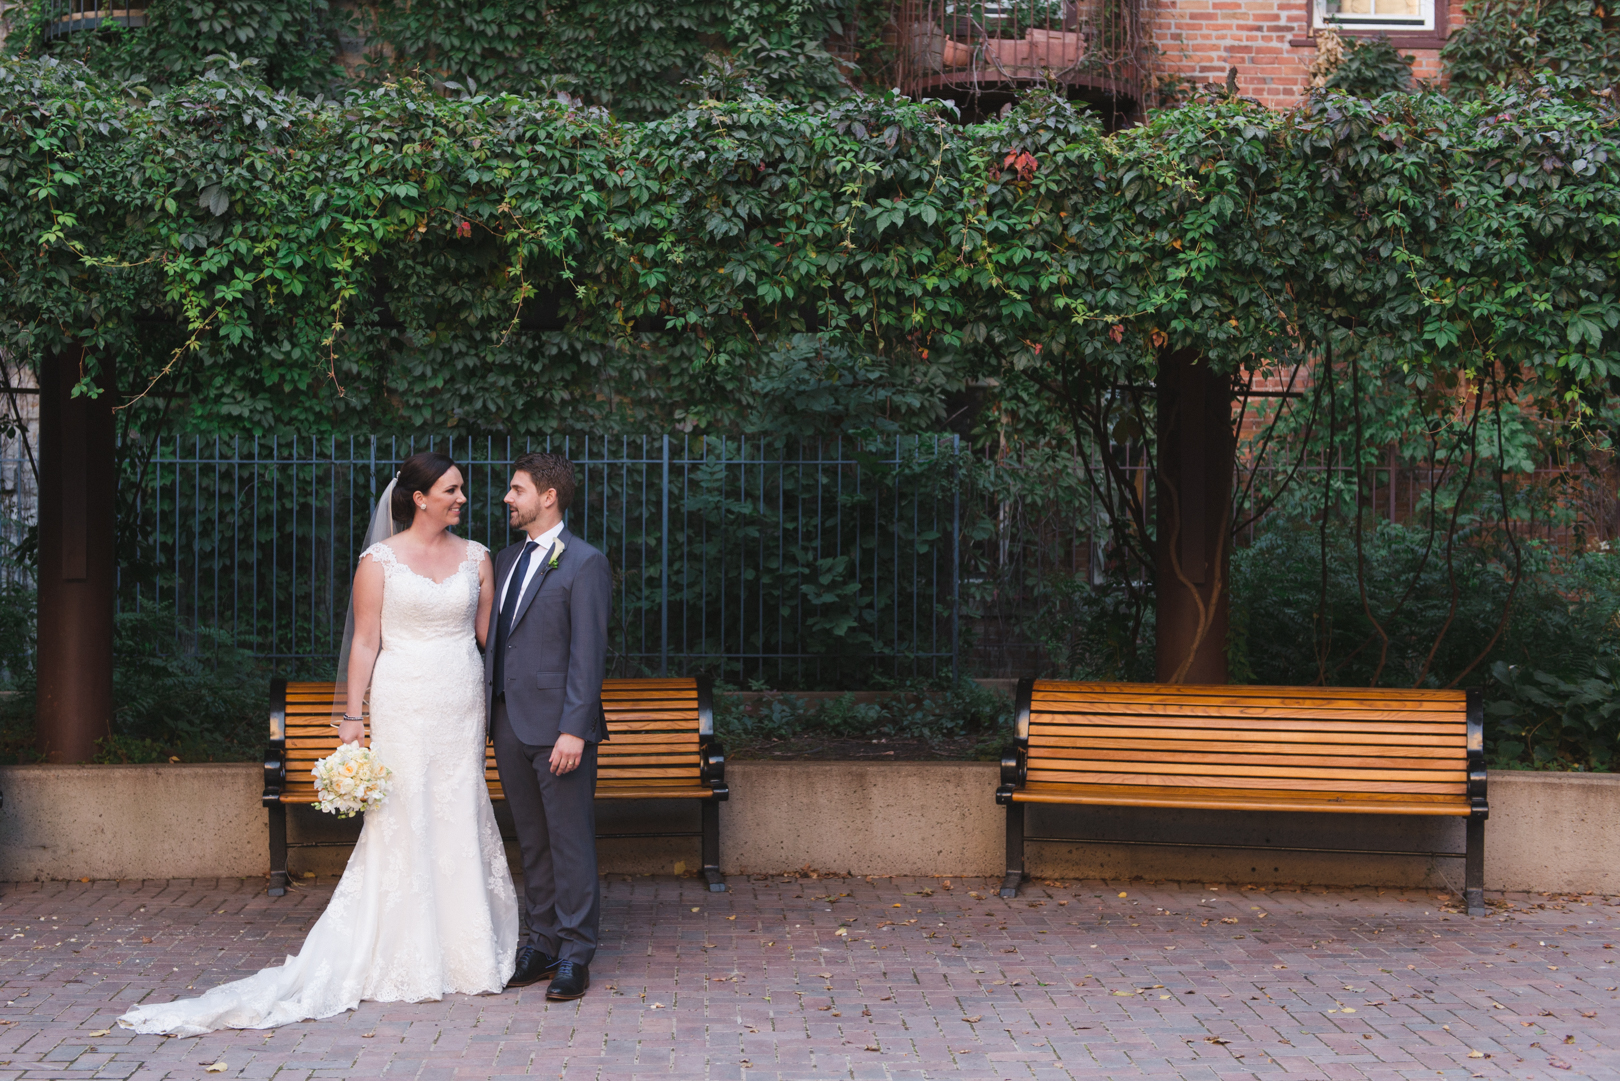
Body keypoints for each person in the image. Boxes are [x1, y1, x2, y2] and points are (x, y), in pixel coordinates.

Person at [118, 452, 518, 1037]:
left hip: (460, 701)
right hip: (402, 700)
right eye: (452, 490)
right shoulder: (379, 561)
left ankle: (466, 951)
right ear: (419, 498)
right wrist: (351, 718)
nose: (463, 498)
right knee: (403, 813)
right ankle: (403, 950)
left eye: (462, 490)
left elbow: (492, 636)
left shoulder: (479, 558)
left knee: (459, 807)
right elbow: (363, 642)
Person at [488, 452, 611, 1001]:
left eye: (517, 490)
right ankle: (540, 941)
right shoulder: (507, 558)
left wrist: (575, 729)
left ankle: (575, 953)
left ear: (548, 496)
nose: (508, 499)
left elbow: (589, 654)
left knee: (569, 840)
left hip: (560, 729)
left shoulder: (584, 563)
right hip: (509, 722)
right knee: (533, 841)